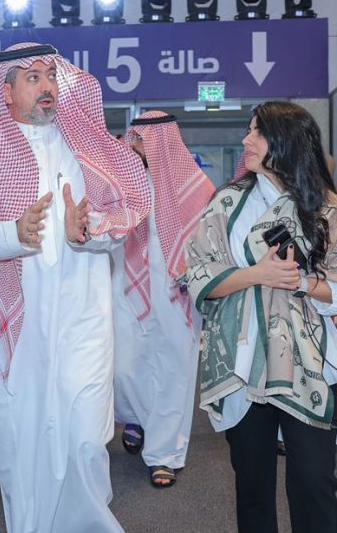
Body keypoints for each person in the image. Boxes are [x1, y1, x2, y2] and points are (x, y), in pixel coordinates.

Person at [0, 42, 151, 533]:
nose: (46, 86)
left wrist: (91, 229)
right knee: (25, 441)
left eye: (51, 76)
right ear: (7, 91)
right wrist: (11, 233)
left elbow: (121, 224)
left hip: (84, 316)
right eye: (33, 77)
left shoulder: (88, 152)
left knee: (86, 438)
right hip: (18, 326)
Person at [186, 101, 337, 533]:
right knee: (252, 486)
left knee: (314, 482)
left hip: (309, 363)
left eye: (257, 132)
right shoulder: (227, 203)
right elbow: (198, 275)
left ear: (286, 142)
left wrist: (301, 282)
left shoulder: (325, 209)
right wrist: (258, 274)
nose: (245, 140)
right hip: (242, 362)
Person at [112, 111, 215, 487]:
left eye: (141, 139)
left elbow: (210, 241)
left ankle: (165, 454)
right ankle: (138, 418)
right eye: (133, 138)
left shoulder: (196, 187)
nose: (134, 145)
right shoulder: (123, 183)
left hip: (176, 291)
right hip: (126, 286)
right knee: (125, 367)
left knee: (173, 370)